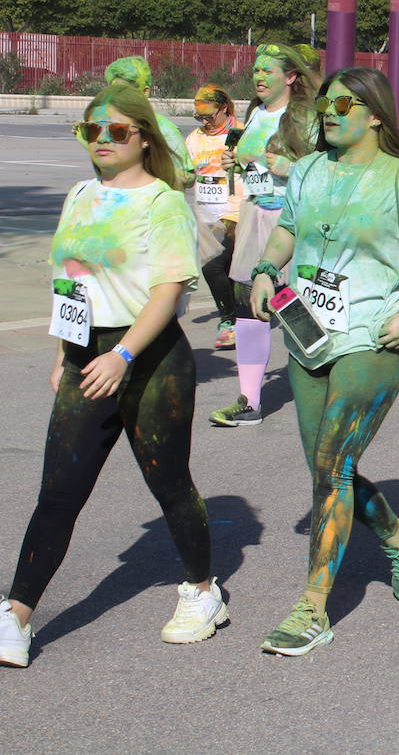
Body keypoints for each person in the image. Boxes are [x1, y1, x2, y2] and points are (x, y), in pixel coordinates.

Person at [248, 67, 399, 655]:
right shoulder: (307, 171)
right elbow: (287, 231)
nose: (329, 111)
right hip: (307, 335)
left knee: (331, 465)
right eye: (325, 102)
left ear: (375, 113)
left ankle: (313, 610)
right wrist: (267, 270)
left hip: (374, 340)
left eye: (343, 103)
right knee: (328, 468)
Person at [0, 85, 223, 669]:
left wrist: (121, 355)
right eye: (91, 130)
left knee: (169, 485)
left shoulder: (162, 201)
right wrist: (62, 354)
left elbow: (169, 289)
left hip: (149, 360)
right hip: (85, 356)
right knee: (58, 492)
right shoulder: (79, 194)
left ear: (144, 136)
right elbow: (71, 282)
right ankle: (17, 616)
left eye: (116, 130)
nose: (102, 139)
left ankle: (202, 591)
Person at [209, 43, 321, 426]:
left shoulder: (305, 116)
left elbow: (324, 166)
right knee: (247, 304)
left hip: (291, 220)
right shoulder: (255, 113)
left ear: (290, 77)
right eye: (256, 70)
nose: (258, 76)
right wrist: (233, 160)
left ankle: (323, 384)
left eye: (267, 71)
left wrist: (291, 167)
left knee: (293, 304)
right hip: (255, 214)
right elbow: (249, 159)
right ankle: (250, 400)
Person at [184, 84, 242, 349]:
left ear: (224, 108)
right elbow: (188, 173)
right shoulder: (194, 138)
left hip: (234, 210)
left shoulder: (241, 133)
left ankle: (228, 321)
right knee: (226, 269)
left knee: (211, 266)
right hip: (205, 212)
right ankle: (240, 314)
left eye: (209, 114)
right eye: (200, 116)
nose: (204, 120)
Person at [103, 56, 193, 187]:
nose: (118, 96)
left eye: (126, 91)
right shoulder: (110, 127)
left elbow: (188, 177)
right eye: (114, 91)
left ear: (145, 92)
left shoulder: (164, 129)